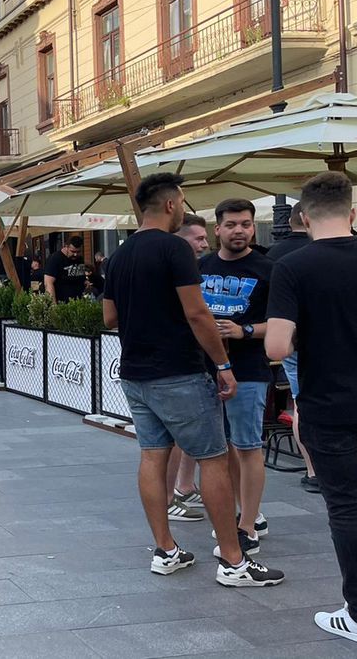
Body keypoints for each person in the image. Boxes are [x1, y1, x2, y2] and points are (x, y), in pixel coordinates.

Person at [103, 173, 283, 587]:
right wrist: (222, 366)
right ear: (170, 205)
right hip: (179, 371)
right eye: (182, 201)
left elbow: (110, 317)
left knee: (152, 456)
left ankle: (165, 550)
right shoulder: (175, 249)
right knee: (213, 460)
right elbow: (198, 313)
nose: (183, 208)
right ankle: (235, 562)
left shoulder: (121, 254)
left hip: (134, 372)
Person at [265, 171, 357, 646]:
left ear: (303, 218)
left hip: (328, 403)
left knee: (345, 506)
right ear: (351, 213)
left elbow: (276, 346)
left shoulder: (293, 267)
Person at [201, 199, 274, 556]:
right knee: (219, 449)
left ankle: (248, 524)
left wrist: (243, 330)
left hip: (248, 370)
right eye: (231, 224)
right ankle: (228, 515)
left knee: (247, 445)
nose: (239, 231)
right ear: (217, 229)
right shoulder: (200, 267)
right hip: (203, 370)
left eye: (245, 224)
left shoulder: (267, 268)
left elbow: (281, 325)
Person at [265, 203, 318, 492]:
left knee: (301, 401)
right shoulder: (320, 251)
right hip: (324, 341)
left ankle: (311, 469)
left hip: (290, 340)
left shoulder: (276, 254)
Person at [166, 212, 209, 522]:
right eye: (199, 238)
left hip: (191, 362)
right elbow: (195, 315)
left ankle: (181, 487)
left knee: (186, 434)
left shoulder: (198, 267)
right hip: (178, 364)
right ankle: (169, 498)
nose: (205, 244)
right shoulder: (174, 269)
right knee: (170, 437)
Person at [44, 236, 88, 303]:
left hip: (78, 303)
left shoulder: (79, 259)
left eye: (78, 252)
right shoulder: (55, 258)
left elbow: (81, 277)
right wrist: (53, 306)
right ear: (66, 247)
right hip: (62, 303)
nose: (75, 254)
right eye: (73, 251)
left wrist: (85, 282)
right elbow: (48, 283)